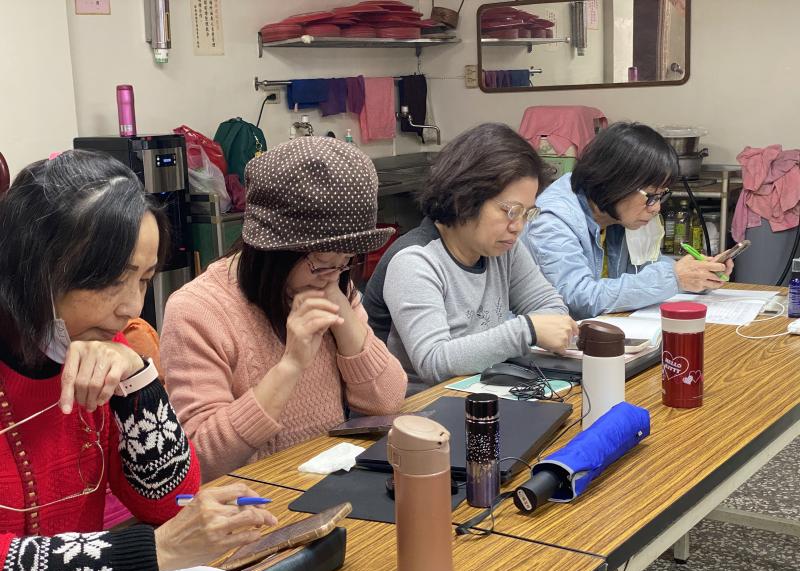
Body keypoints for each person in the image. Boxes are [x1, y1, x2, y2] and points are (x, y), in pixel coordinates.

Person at [0, 150, 276, 571]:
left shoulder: (104, 350)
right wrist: (157, 551)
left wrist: (138, 384)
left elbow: (170, 503)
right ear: (33, 267)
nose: (131, 306)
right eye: (112, 280)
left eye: (144, 279)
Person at [161, 137, 407, 482]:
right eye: (322, 262)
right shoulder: (198, 310)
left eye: (346, 261)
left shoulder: (333, 284)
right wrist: (290, 365)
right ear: (272, 251)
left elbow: (387, 402)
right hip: (252, 501)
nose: (334, 275)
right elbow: (202, 458)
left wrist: (342, 311)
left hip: (330, 484)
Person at [363, 123, 576, 395]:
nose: (518, 226)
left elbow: (550, 307)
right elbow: (433, 362)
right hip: (418, 408)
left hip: (480, 392)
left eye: (527, 213)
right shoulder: (415, 260)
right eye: (511, 211)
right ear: (465, 199)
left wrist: (539, 328)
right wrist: (527, 331)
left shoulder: (503, 249)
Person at [523, 122, 734, 320]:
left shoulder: (616, 213)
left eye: (661, 196)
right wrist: (674, 278)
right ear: (615, 182)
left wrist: (698, 274)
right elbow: (579, 299)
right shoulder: (551, 220)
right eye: (651, 196)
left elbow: (643, 269)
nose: (656, 208)